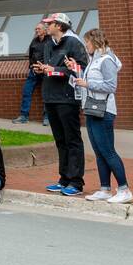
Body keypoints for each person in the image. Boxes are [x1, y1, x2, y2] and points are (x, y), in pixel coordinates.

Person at [70, 28, 132, 204]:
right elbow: (91, 79)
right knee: (99, 152)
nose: (86, 46)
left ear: (95, 42)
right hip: (92, 108)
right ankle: (104, 188)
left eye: (87, 43)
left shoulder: (107, 60)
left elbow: (111, 86)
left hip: (104, 111)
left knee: (108, 151)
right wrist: (76, 71)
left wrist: (87, 83)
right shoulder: (94, 60)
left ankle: (124, 189)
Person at [34, 13, 89, 196]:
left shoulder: (74, 43)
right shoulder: (49, 43)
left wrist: (55, 70)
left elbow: (80, 70)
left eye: (50, 24)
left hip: (67, 98)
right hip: (50, 97)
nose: (46, 26)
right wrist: (42, 69)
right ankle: (64, 178)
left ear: (59, 26)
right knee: (60, 141)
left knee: (72, 139)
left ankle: (76, 181)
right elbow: (50, 69)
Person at [14, 22, 50, 123]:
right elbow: (31, 56)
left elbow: (52, 56)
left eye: (38, 29)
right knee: (26, 91)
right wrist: (31, 66)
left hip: (45, 71)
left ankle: (47, 117)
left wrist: (44, 67)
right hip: (33, 72)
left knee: (46, 93)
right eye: (36, 29)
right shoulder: (34, 41)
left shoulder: (50, 41)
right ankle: (24, 116)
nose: (36, 31)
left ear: (45, 30)